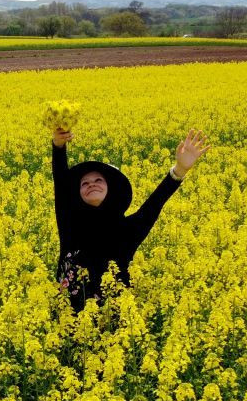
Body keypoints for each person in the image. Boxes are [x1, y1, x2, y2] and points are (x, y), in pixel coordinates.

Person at [51, 126, 210, 312]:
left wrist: (180, 170)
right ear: (78, 193)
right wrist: (58, 146)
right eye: (84, 183)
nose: (91, 185)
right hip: (67, 323)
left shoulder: (128, 229)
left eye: (98, 181)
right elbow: (61, 182)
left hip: (114, 327)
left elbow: (154, 204)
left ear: (111, 189)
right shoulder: (71, 224)